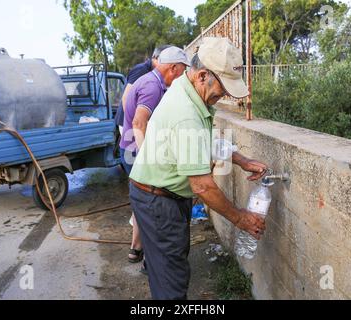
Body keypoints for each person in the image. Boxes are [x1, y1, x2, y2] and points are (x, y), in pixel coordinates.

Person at [128, 37, 268, 300]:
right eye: (223, 89)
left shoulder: (188, 91)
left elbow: (205, 140)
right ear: (203, 75)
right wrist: (240, 219)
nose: (224, 96)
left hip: (159, 195)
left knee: (169, 266)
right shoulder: (186, 113)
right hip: (158, 201)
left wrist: (241, 160)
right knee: (172, 281)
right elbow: (202, 186)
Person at [120, 46, 191, 265]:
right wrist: (147, 158)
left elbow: (128, 107)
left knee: (142, 205)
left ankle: (137, 249)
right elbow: (138, 122)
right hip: (136, 152)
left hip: (130, 148)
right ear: (174, 68)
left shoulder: (151, 80)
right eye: (183, 70)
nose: (184, 75)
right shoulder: (152, 86)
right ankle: (150, 258)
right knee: (151, 204)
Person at [114, 45, 171, 136]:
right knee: (133, 149)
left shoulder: (155, 73)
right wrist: (134, 124)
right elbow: (127, 98)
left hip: (139, 122)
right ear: (155, 57)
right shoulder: (141, 70)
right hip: (129, 123)